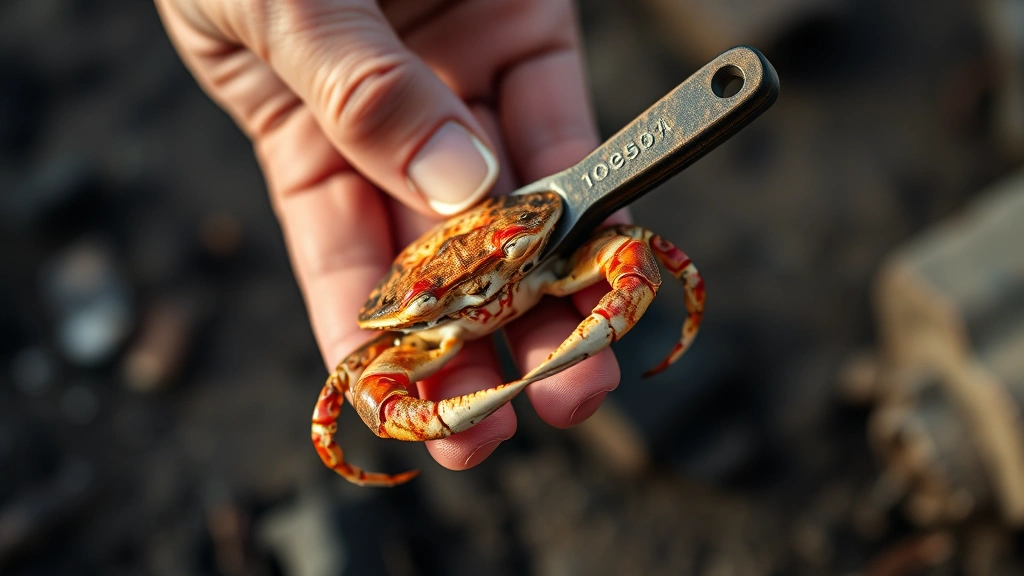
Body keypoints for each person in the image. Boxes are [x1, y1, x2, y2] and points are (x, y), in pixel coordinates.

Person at [156, 0, 626, 471]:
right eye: (429, 301)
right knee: (360, 387)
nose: (480, 294)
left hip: (531, 248)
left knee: (628, 248)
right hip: (472, 284)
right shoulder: (403, 349)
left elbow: (641, 260)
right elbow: (369, 400)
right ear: (413, 308)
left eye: (511, 252)